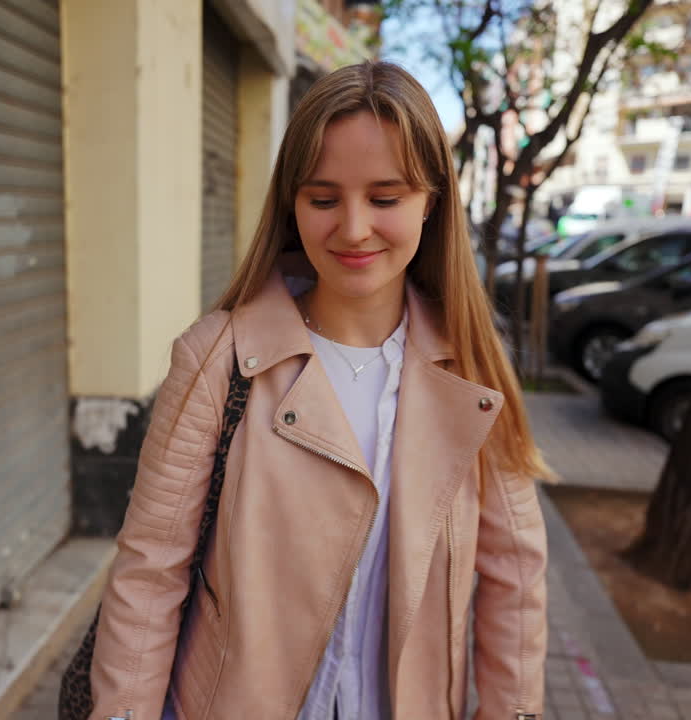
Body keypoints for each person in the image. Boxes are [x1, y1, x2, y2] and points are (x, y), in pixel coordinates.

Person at [86, 61, 550, 720]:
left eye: (385, 198)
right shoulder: (218, 358)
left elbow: (517, 570)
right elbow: (150, 568)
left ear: (432, 201)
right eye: (323, 198)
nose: (354, 228)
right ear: (291, 203)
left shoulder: (473, 372)